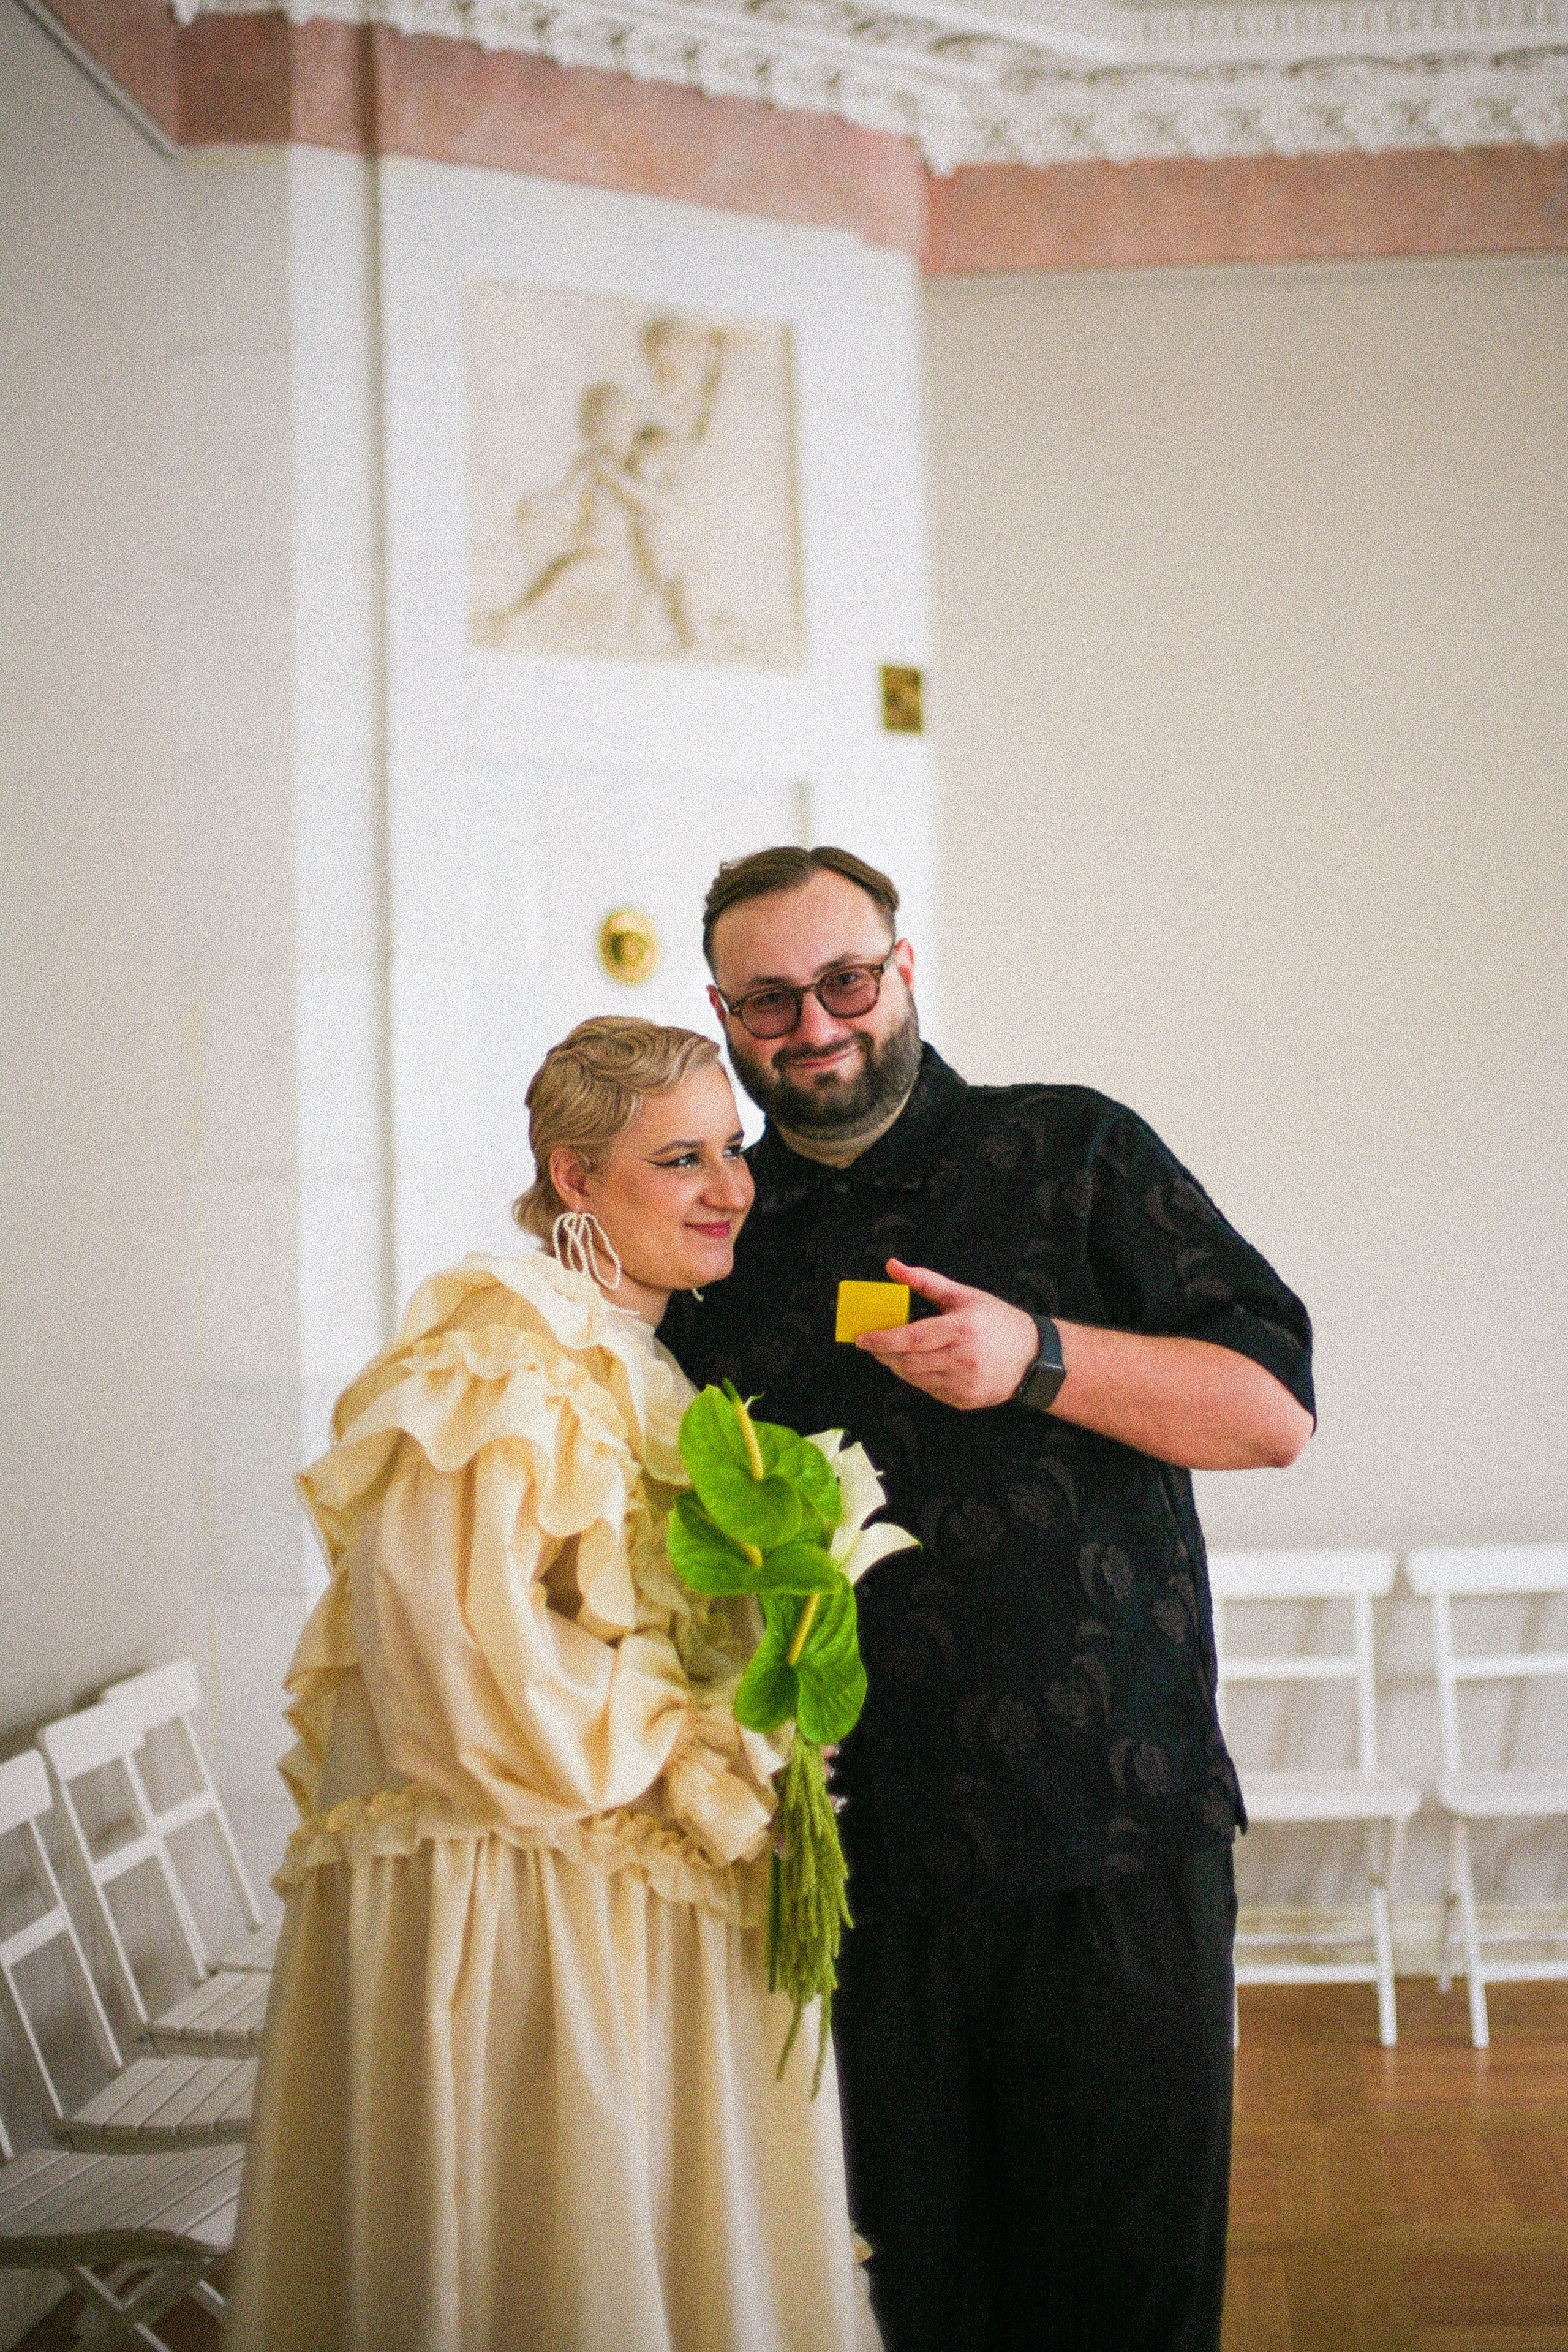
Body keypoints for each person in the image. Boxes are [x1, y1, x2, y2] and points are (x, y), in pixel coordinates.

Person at [659, 847, 1317, 2352]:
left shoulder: (1070, 1147)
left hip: (1108, 1841)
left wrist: (1038, 1355)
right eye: (767, 1001)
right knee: (906, 2312)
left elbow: (1270, 1410)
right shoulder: (716, 1240)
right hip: (850, 1882)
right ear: (722, 1012)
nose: (811, 1028)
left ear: (902, 970)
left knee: (1122, 2309)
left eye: (842, 982)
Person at [226, 1016, 875, 2352]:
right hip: (524, 1905)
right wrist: (692, 1750)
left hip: (619, 1898)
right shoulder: (504, 1357)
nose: (728, 1188)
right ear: (574, 1179)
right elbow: (447, 1653)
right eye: (680, 1158)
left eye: (732, 1152)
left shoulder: (641, 1360)